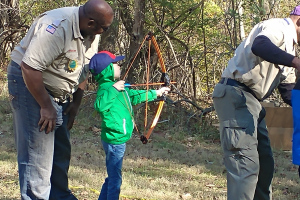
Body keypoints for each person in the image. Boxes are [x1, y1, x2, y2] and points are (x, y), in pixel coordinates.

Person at [7, 0, 114, 199]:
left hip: (59, 88)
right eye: (104, 28)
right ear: (91, 23)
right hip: (28, 82)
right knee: (38, 154)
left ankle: (59, 195)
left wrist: (76, 103)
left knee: (60, 150)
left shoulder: (90, 31)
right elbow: (30, 68)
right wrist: (46, 107)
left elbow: (84, 67)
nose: (104, 32)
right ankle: (36, 195)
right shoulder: (57, 26)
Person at [212, 5, 300, 200]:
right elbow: (259, 45)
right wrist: (295, 61)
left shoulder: (291, 48)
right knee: (245, 165)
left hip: (253, 103)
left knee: (265, 163)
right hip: (236, 94)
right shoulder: (278, 27)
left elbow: (288, 93)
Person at [89, 51, 170, 200]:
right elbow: (99, 105)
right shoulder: (106, 88)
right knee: (115, 179)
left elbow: (134, 96)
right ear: (107, 69)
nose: (119, 66)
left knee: (113, 176)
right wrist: (114, 89)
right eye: (116, 64)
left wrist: (156, 93)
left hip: (119, 139)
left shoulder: (118, 88)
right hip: (114, 140)